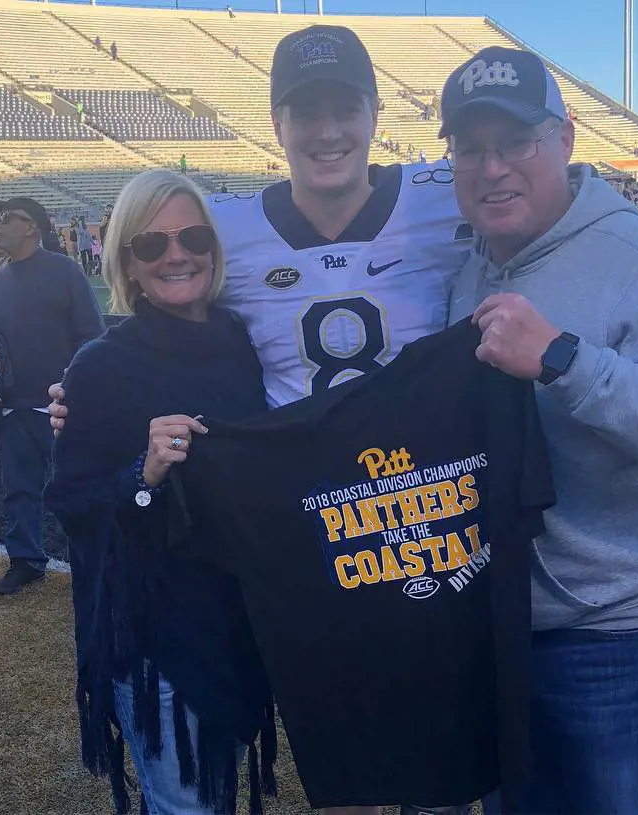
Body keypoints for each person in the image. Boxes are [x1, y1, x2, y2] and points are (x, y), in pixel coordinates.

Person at [48, 24, 473, 814]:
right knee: (348, 781)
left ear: (377, 111)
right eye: (304, 112)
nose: (327, 131)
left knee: (444, 778)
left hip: (427, 524)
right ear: (275, 124)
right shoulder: (232, 235)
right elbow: (157, 333)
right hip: (309, 553)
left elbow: (541, 200)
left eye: (344, 108)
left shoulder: (445, 194)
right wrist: (84, 394)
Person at [442, 46, 638, 814]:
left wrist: (562, 359)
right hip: (503, 630)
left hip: (622, 638)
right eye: (471, 147)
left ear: (565, 139)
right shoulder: (471, 265)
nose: (492, 166)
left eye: (516, 141)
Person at [43, 170, 276, 815]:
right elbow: (70, 502)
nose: (177, 255)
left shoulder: (242, 340)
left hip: (235, 618)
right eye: (152, 246)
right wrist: (142, 477)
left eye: (192, 236)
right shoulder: (101, 365)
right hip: (155, 634)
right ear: (127, 262)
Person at [0, 196, 104, 595]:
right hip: (12, 407)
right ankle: (25, 559)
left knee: (79, 486)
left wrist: (78, 390)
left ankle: (97, 558)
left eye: (8, 217)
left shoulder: (64, 272)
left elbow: (92, 337)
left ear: (33, 227)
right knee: (19, 489)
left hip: (61, 405)